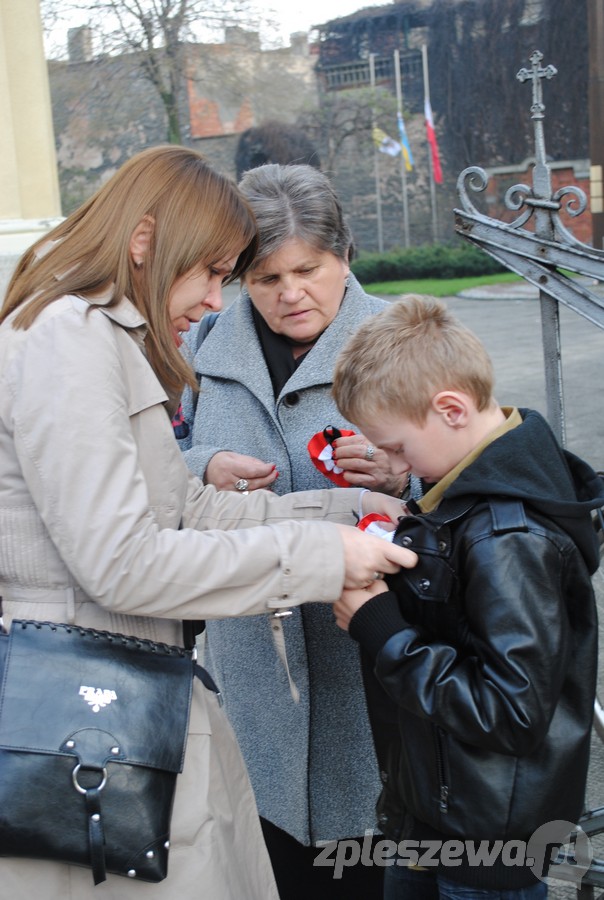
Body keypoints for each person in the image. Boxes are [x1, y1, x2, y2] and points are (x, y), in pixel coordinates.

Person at [0, 146, 417, 900]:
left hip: (118, 694)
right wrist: (327, 555)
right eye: (219, 272)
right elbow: (123, 562)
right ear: (146, 245)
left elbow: (184, 507)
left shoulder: (97, 335)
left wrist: (347, 510)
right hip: (87, 709)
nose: (220, 301)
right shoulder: (70, 342)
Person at [177, 163, 410, 899]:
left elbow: (478, 466)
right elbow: (145, 462)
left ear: (344, 254)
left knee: (373, 864)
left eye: (308, 269)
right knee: (267, 859)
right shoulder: (200, 350)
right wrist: (205, 460)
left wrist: (403, 473)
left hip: (375, 663)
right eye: (266, 277)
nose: (290, 294)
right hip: (252, 665)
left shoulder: (407, 339)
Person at [332, 295, 603, 900]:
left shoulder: (508, 537)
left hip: (486, 843)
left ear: (450, 409)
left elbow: (509, 711)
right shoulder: (458, 498)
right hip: (438, 811)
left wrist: (381, 627)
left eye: (397, 447)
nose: (391, 462)